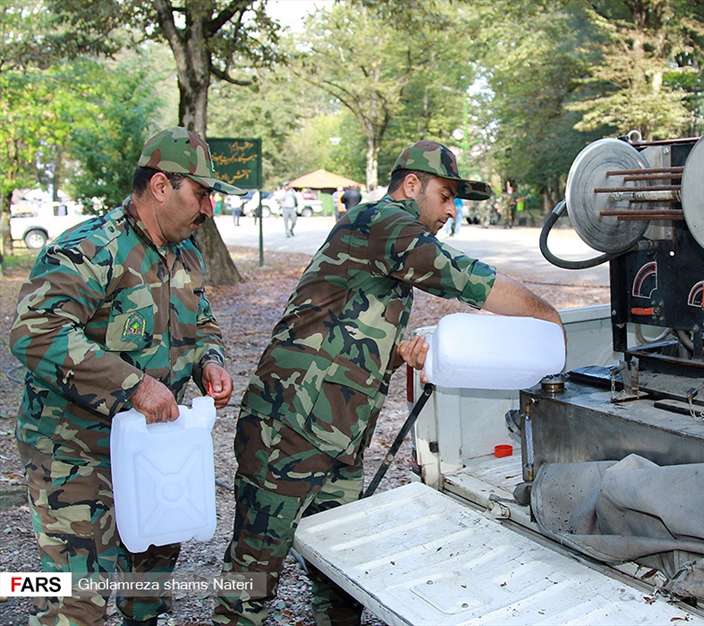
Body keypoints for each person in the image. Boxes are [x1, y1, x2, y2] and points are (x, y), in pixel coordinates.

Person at [213, 140, 561, 626]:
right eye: (445, 195)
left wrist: (395, 353)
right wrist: (547, 316)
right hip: (287, 425)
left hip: (337, 431)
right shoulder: (382, 222)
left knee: (338, 563)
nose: (450, 209)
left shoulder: (386, 241)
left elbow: (345, 327)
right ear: (412, 184)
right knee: (254, 569)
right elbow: (459, 276)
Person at [9, 127, 240, 625]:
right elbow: (34, 331)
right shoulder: (93, 248)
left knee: (148, 586)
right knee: (77, 600)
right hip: (75, 452)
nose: (207, 209)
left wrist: (210, 361)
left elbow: (201, 323)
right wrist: (132, 385)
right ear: (161, 186)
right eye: (200, 194)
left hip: (156, 450)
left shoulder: (186, 253)